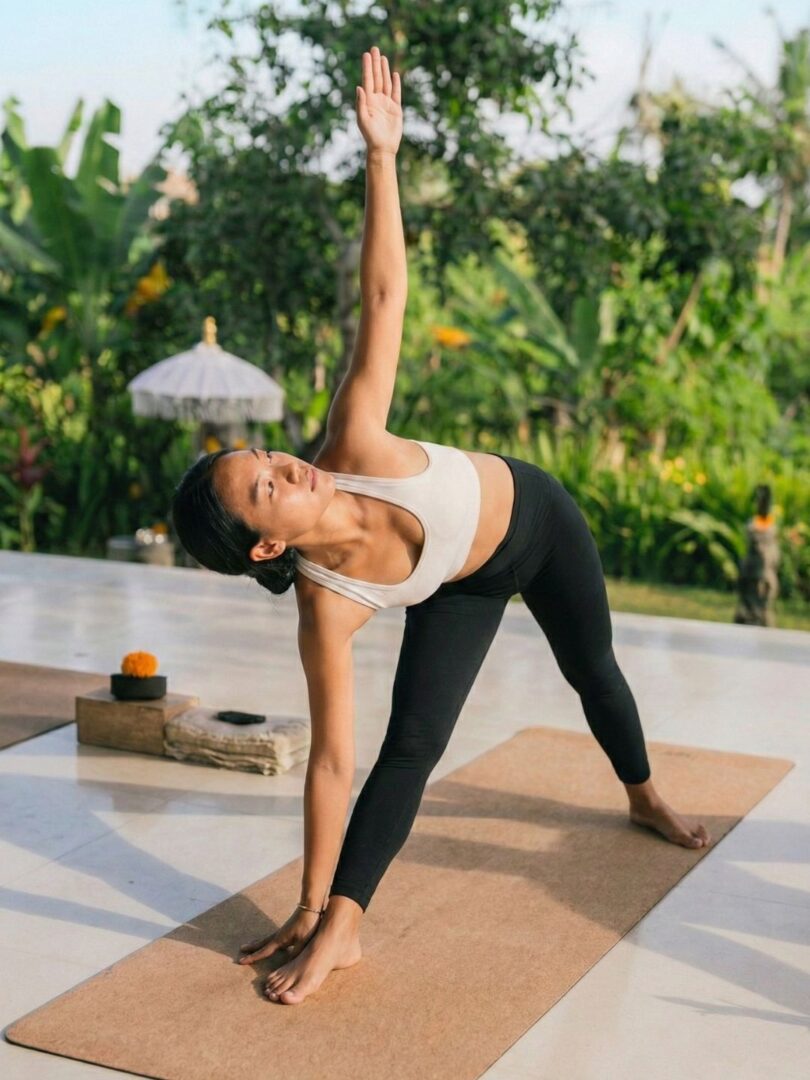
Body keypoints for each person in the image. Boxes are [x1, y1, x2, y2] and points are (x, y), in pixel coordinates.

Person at [170, 46, 711, 1007]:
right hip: (462, 583)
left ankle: (643, 794)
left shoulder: (352, 440)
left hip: (539, 519)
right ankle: (344, 929)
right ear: (267, 546)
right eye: (264, 488)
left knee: (593, 670)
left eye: (265, 456)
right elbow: (331, 762)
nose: (285, 465)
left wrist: (382, 157)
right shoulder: (326, 608)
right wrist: (309, 901)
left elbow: (385, 298)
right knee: (411, 744)